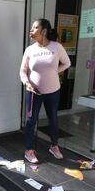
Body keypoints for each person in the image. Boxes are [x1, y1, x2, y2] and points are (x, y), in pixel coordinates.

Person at [20, 18, 71, 163]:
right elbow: (23, 71)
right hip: (34, 92)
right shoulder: (30, 50)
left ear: (44, 31)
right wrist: (27, 83)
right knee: (31, 121)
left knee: (53, 119)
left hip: (53, 91)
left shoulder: (56, 47)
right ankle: (29, 150)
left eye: (35, 27)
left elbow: (67, 63)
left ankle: (54, 146)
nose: (31, 30)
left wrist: (55, 72)